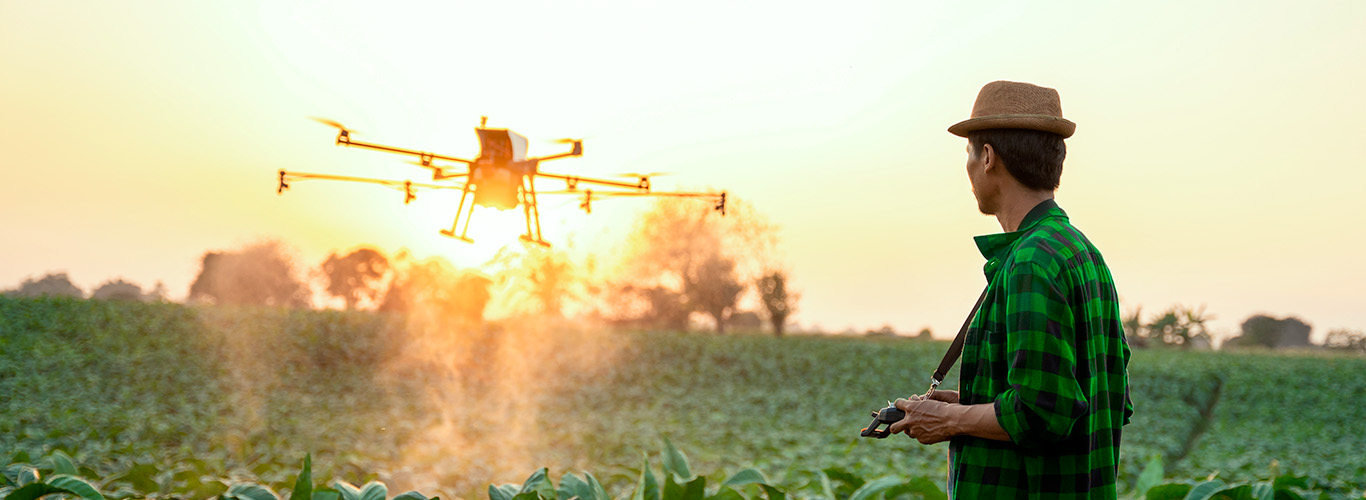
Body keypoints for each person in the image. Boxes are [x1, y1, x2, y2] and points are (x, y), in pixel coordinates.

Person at [888, 81, 1134, 499]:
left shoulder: (1030, 263)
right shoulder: (1082, 253)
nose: (966, 166)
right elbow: (1088, 393)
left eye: (968, 152)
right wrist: (963, 403)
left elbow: (1044, 412)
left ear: (987, 158)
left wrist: (951, 422)